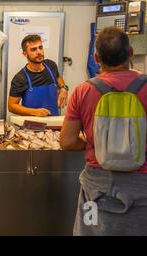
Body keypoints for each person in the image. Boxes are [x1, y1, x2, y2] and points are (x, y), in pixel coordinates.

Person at [60, 26, 147, 236]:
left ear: (96, 58)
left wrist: (95, 144)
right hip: (142, 186)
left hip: (96, 188)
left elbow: (67, 141)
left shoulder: (84, 91)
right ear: (131, 53)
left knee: (91, 230)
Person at [8, 34, 68, 116]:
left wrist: (63, 88)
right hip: (31, 126)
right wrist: (34, 112)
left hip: (54, 123)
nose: (39, 52)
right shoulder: (20, 78)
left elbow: (58, 78)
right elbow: (11, 106)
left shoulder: (51, 65)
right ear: (25, 54)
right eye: (33, 49)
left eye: (40, 47)